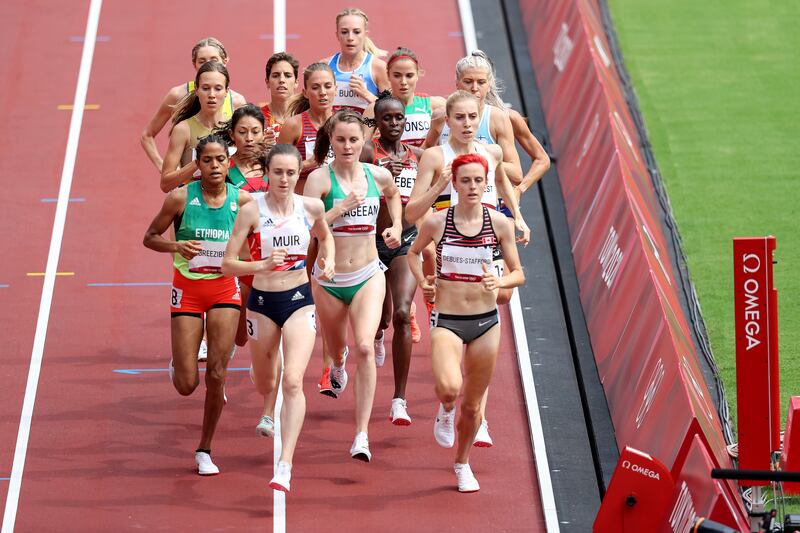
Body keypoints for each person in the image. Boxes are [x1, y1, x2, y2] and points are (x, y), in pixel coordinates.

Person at [407, 90, 530, 448]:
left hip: (485, 243)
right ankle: (450, 405)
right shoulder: (434, 157)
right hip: (445, 241)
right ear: (448, 122)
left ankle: (479, 415)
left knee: (495, 302)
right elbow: (413, 213)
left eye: (472, 118)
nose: (466, 124)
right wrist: (440, 186)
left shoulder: (490, 153)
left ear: (480, 119)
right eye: (458, 118)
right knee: (451, 371)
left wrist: (518, 218)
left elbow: (505, 185)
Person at [222, 144, 335, 492]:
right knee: (266, 381)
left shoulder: (311, 206)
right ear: (267, 173)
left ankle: (285, 463)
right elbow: (227, 264)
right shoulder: (250, 212)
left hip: (299, 299)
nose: (284, 179)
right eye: (277, 172)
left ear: (297, 173)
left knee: (294, 380)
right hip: (261, 301)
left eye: (290, 173)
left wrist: (326, 261)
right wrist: (261, 265)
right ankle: (263, 381)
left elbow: (324, 236)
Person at [143, 135, 252, 476]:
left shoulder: (244, 201)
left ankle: (204, 448)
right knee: (187, 384)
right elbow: (150, 237)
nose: (215, 166)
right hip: (187, 291)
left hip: (223, 291)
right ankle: (180, 359)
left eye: (221, 160)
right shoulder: (180, 198)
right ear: (198, 165)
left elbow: (254, 246)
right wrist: (178, 248)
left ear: (229, 163)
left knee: (217, 374)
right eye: (208, 160)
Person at [303, 110, 403, 461]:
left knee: (364, 345)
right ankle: (338, 365)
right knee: (337, 348)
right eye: (341, 139)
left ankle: (361, 435)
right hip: (329, 280)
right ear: (331, 140)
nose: (347, 146)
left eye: (353, 140)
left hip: (366, 275)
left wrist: (395, 227)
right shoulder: (319, 180)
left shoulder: (376, 175)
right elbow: (309, 226)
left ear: (364, 141)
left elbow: (393, 194)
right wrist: (340, 208)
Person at [360, 93, 423, 425]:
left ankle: (399, 398)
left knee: (401, 313)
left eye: (399, 117)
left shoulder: (418, 156)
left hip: (404, 244)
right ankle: (379, 333)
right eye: (387, 118)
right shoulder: (369, 150)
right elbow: (348, 175)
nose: (394, 124)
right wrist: (379, 172)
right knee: (379, 321)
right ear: (377, 121)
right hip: (368, 244)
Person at [141, 37, 245, 172]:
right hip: (189, 185)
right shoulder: (177, 95)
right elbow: (147, 135)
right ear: (194, 64)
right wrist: (163, 168)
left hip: (224, 184)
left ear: (225, 61)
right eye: (202, 61)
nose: (208, 65)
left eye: (214, 60)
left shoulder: (237, 101)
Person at [161, 62, 234, 192]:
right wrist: (199, 162)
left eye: (218, 88)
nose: (212, 95)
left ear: (227, 91)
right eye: (205, 88)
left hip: (229, 207)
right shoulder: (183, 129)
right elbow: (165, 184)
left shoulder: (235, 127)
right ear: (197, 90)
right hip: (194, 206)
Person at [364, 47, 446, 148]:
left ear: (417, 75)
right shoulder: (373, 109)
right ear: (388, 75)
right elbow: (362, 149)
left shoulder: (436, 105)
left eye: (409, 76)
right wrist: (374, 142)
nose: (403, 82)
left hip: (427, 163)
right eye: (397, 76)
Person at [277, 63, 337, 187]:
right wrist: (309, 163)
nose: (322, 92)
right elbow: (278, 167)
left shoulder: (344, 122)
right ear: (305, 92)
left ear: (336, 89)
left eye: (328, 86)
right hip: (304, 201)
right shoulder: (294, 125)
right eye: (315, 87)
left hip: (337, 198)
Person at [324, 8, 390, 113]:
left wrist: (366, 94)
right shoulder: (325, 66)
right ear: (337, 35)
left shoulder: (378, 68)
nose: (350, 37)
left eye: (356, 32)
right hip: (332, 129)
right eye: (344, 32)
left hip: (366, 128)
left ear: (365, 34)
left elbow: (391, 110)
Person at [261, 52, 300, 142]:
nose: (282, 80)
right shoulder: (258, 118)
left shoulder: (306, 115)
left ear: (296, 82)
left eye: (287, 75)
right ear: (267, 82)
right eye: (275, 76)